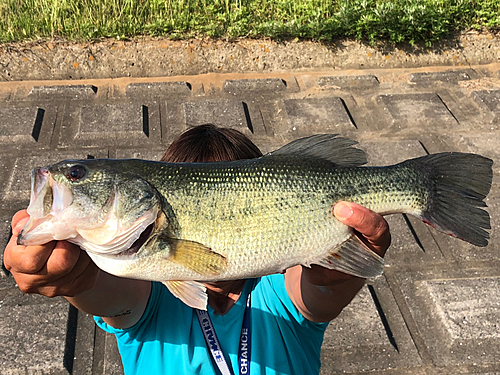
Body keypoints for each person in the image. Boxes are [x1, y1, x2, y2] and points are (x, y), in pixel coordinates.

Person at [4, 125, 391, 375]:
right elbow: (108, 296)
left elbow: (320, 294)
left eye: (76, 176)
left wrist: (339, 275)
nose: (64, 181)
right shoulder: (148, 295)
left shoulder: (281, 292)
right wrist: (77, 279)